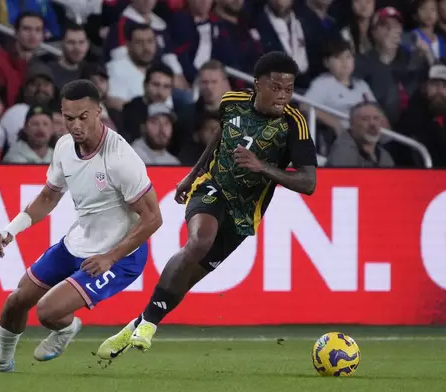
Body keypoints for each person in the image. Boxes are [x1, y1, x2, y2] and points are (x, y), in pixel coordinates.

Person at [97, 51, 318, 359]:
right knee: (200, 240)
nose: (283, 95)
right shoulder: (231, 102)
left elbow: (309, 183)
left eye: (289, 89)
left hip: (244, 213)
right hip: (213, 186)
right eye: (276, 87)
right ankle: (147, 324)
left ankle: (138, 324)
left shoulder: (295, 124)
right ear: (257, 85)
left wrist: (262, 167)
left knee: (187, 278)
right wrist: (193, 175)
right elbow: (221, 133)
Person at [0, 80, 162, 373]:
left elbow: (153, 218)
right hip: (79, 242)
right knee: (17, 301)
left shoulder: (120, 158)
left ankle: (66, 329)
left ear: (98, 112)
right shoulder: (64, 147)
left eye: (83, 117)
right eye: (69, 118)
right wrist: (10, 231)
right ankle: (1, 361)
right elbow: (48, 197)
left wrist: (111, 257)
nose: (76, 125)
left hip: (120, 256)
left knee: (48, 312)